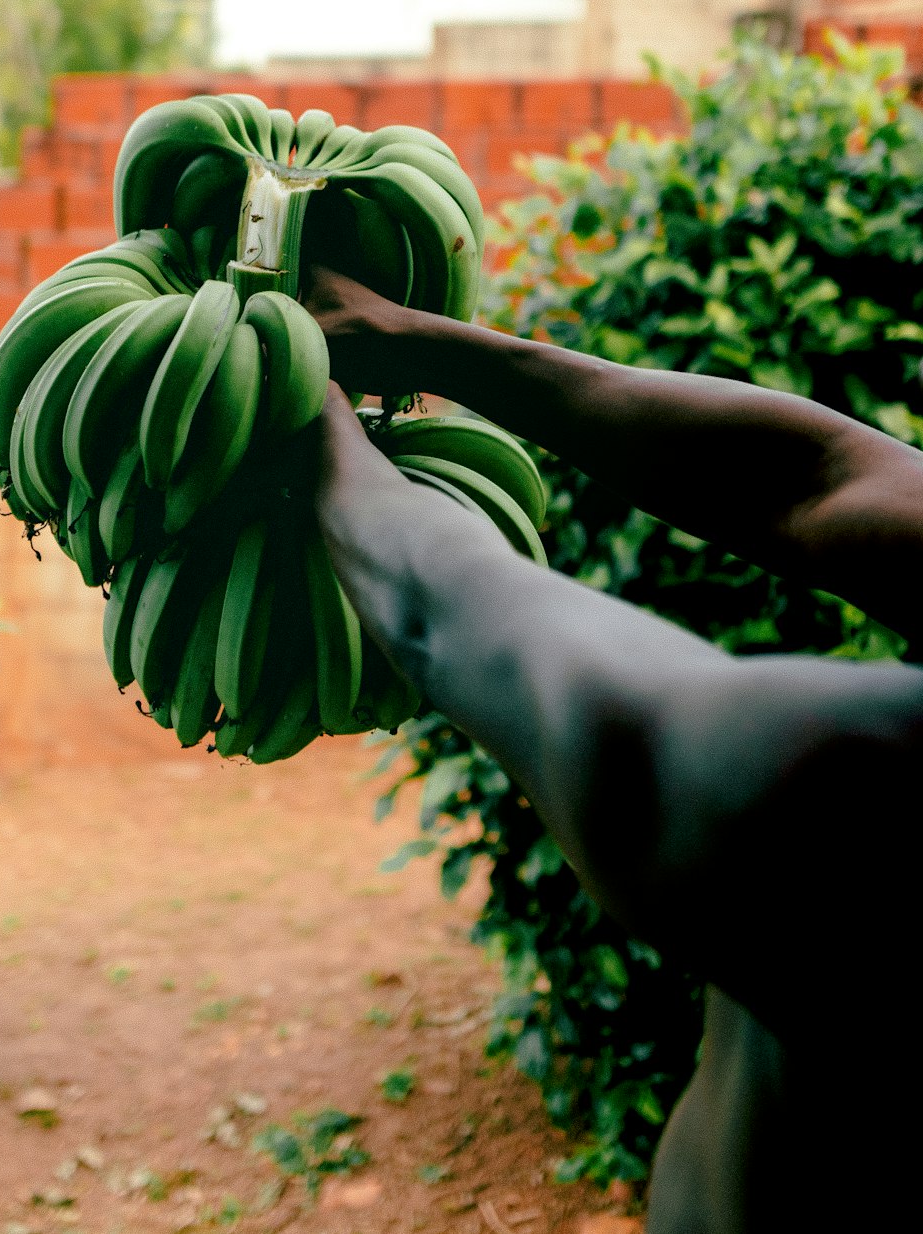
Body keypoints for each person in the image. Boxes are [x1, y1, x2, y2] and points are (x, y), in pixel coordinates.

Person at [306, 268, 923, 1234]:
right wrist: (414, 339)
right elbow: (820, 480)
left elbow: (594, 712)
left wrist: (320, 447)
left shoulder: (856, 787)